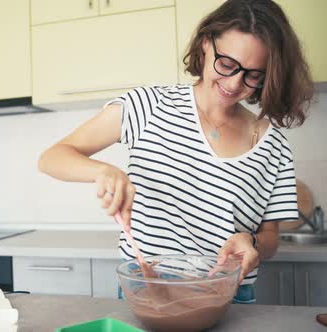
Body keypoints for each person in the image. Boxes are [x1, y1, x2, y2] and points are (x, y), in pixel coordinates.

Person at [38, 0, 313, 304]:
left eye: (253, 75)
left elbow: (270, 238)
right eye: (227, 64)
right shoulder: (148, 106)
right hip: (149, 291)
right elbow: (53, 156)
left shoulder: (273, 146)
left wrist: (251, 242)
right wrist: (102, 171)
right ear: (206, 44)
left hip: (229, 297)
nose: (234, 84)